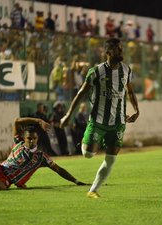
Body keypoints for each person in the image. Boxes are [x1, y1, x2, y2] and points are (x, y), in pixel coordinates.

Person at [60, 38, 140, 198]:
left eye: (121, 48)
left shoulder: (126, 70)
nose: (121, 52)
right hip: (97, 121)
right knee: (88, 154)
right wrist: (69, 114)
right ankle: (87, 142)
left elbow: (130, 91)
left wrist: (137, 110)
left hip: (118, 123)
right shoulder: (96, 72)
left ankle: (93, 190)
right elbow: (81, 93)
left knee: (111, 159)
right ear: (108, 52)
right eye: (117, 49)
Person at [0, 117, 87, 192]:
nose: (31, 141)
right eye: (29, 138)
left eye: (34, 138)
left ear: (37, 139)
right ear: (24, 138)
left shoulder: (41, 157)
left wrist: (76, 181)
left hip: (5, 180)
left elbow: (59, 170)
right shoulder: (18, 142)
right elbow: (17, 121)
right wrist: (38, 120)